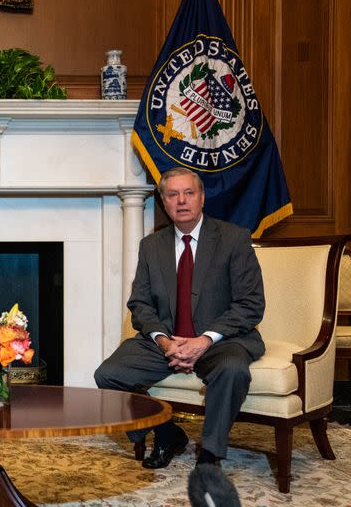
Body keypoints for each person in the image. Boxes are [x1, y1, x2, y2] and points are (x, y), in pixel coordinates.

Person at [94, 167, 265, 469]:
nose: (181, 201)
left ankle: (211, 454)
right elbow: (141, 304)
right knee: (108, 374)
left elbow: (250, 304)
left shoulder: (233, 239)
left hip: (221, 340)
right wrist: (163, 341)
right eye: (173, 194)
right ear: (163, 200)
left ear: (202, 197)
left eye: (189, 193)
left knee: (233, 370)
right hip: (168, 341)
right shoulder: (151, 246)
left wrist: (204, 340)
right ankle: (168, 432)